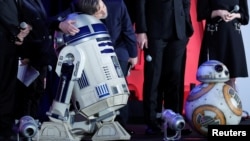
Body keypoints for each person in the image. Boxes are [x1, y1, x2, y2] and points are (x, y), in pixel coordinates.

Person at [14, 0, 80, 122]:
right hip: (26, 58)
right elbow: (15, 29)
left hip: (40, 58)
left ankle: (30, 129)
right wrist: (22, 54)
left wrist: (58, 24)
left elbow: (43, 23)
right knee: (24, 99)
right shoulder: (18, 3)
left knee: (36, 96)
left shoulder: (37, 3)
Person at [135, 0, 194, 135]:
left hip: (179, 32)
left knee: (175, 77)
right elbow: (140, 3)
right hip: (154, 31)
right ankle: (152, 122)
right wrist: (141, 30)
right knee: (153, 78)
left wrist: (186, 23)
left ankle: (175, 122)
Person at [101, 0, 138, 134]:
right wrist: (60, 23)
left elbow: (127, 29)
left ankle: (121, 125)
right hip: (94, 52)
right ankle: (101, 124)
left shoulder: (117, 4)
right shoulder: (83, 3)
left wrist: (133, 54)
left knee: (120, 87)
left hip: (118, 50)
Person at [197, 0, 249, 90]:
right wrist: (218, 12)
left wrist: (235, 15)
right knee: (212, 79)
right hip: (214, 38)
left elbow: (245, 17)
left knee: (231, 81)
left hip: (233, 39)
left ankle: (230, 102)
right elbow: (201, 13)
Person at [0, 0, 32, 139]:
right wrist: (16, 32)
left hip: (10, 47)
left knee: (7, 91)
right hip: (4, 43)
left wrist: (25, 28)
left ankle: (5, 130)